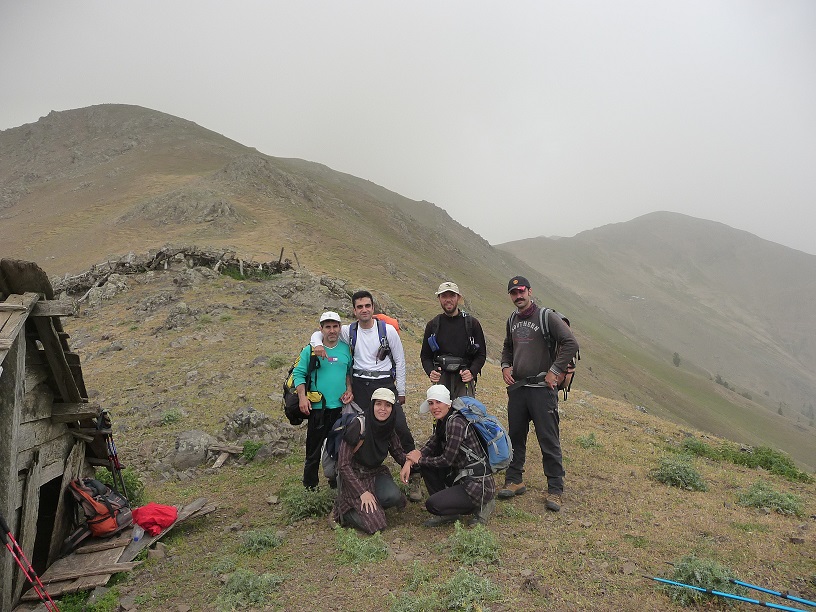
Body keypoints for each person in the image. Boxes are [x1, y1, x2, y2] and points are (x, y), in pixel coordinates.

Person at [311, 290, 422, 501]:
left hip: (384, 383)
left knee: (399, 426)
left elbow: (400, 360)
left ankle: (415, 473)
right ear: (354, 310)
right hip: (360, 385)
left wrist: (401, 391)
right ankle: (349, 472)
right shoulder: (348, 330)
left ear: (373, 308)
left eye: (367, 306)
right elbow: (319, 334)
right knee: (357, 427)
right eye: (359, 307)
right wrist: (316, 343)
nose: (364, 310)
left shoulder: (388, 331)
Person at [499, 275, 579, 512]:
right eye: (514, 293)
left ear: (530, 292)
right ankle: (514, 480)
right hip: (519, 390)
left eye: (521, 291)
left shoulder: (547, 317)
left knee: (548, 439)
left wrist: (555, 371)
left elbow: (571, 343)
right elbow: (507, 346)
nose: (518, 296)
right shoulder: (512, 319)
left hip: (543, 391)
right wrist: (505, 366)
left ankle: (555, 489)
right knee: (515, 436)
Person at [401, 385, 496, 527]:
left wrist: (419, 460)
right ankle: (450, 509)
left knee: (433, 504)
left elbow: (446, 460)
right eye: (431, 403)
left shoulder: (456, 423)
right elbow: (432, 444)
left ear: (448, 404)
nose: (434, 407)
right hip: (463, 477)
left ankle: (483, 504)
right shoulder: (445, 421)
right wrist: (410, 461)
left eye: (438, 402)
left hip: (477, 485)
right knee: (426, 464)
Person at [331, 388, 409, 533]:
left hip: (375, 473)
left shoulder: (388, 426)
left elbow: (398, 453)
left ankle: (369, 507)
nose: (383, 409)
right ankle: (344, 511)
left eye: (387, 405)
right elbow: (343, 464)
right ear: (372, 405)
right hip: (354, 475)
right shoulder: (358, 425)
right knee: (377, 525)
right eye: (378, 404)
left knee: (393, 496)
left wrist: (410, 462)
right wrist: (362, 492)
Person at [293, 311, 353, 490]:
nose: (332, 330)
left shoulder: (346, 349)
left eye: (335, 326)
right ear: (321, 329)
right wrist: (302, 398)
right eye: (328, 327)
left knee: (339, 448)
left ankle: (336, 481)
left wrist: (349, 389)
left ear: (339, 328)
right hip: (318, 408)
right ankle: (310, 487)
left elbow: (348, 373)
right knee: (313, 450)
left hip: (340, 409)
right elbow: (298, 374)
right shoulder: (310, 350)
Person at [420, 281, 487, 399]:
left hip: (464, 380)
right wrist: (430, 371)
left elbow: (481, 354)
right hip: (441, 379)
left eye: (452, 296)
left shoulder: (472, 324)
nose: (448, 300)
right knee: (440, 410)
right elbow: (425, 355)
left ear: (458, 298)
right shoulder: (433, 325)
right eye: (444, 296)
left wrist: (472, 372)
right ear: (439, 298)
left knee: (464, 411)